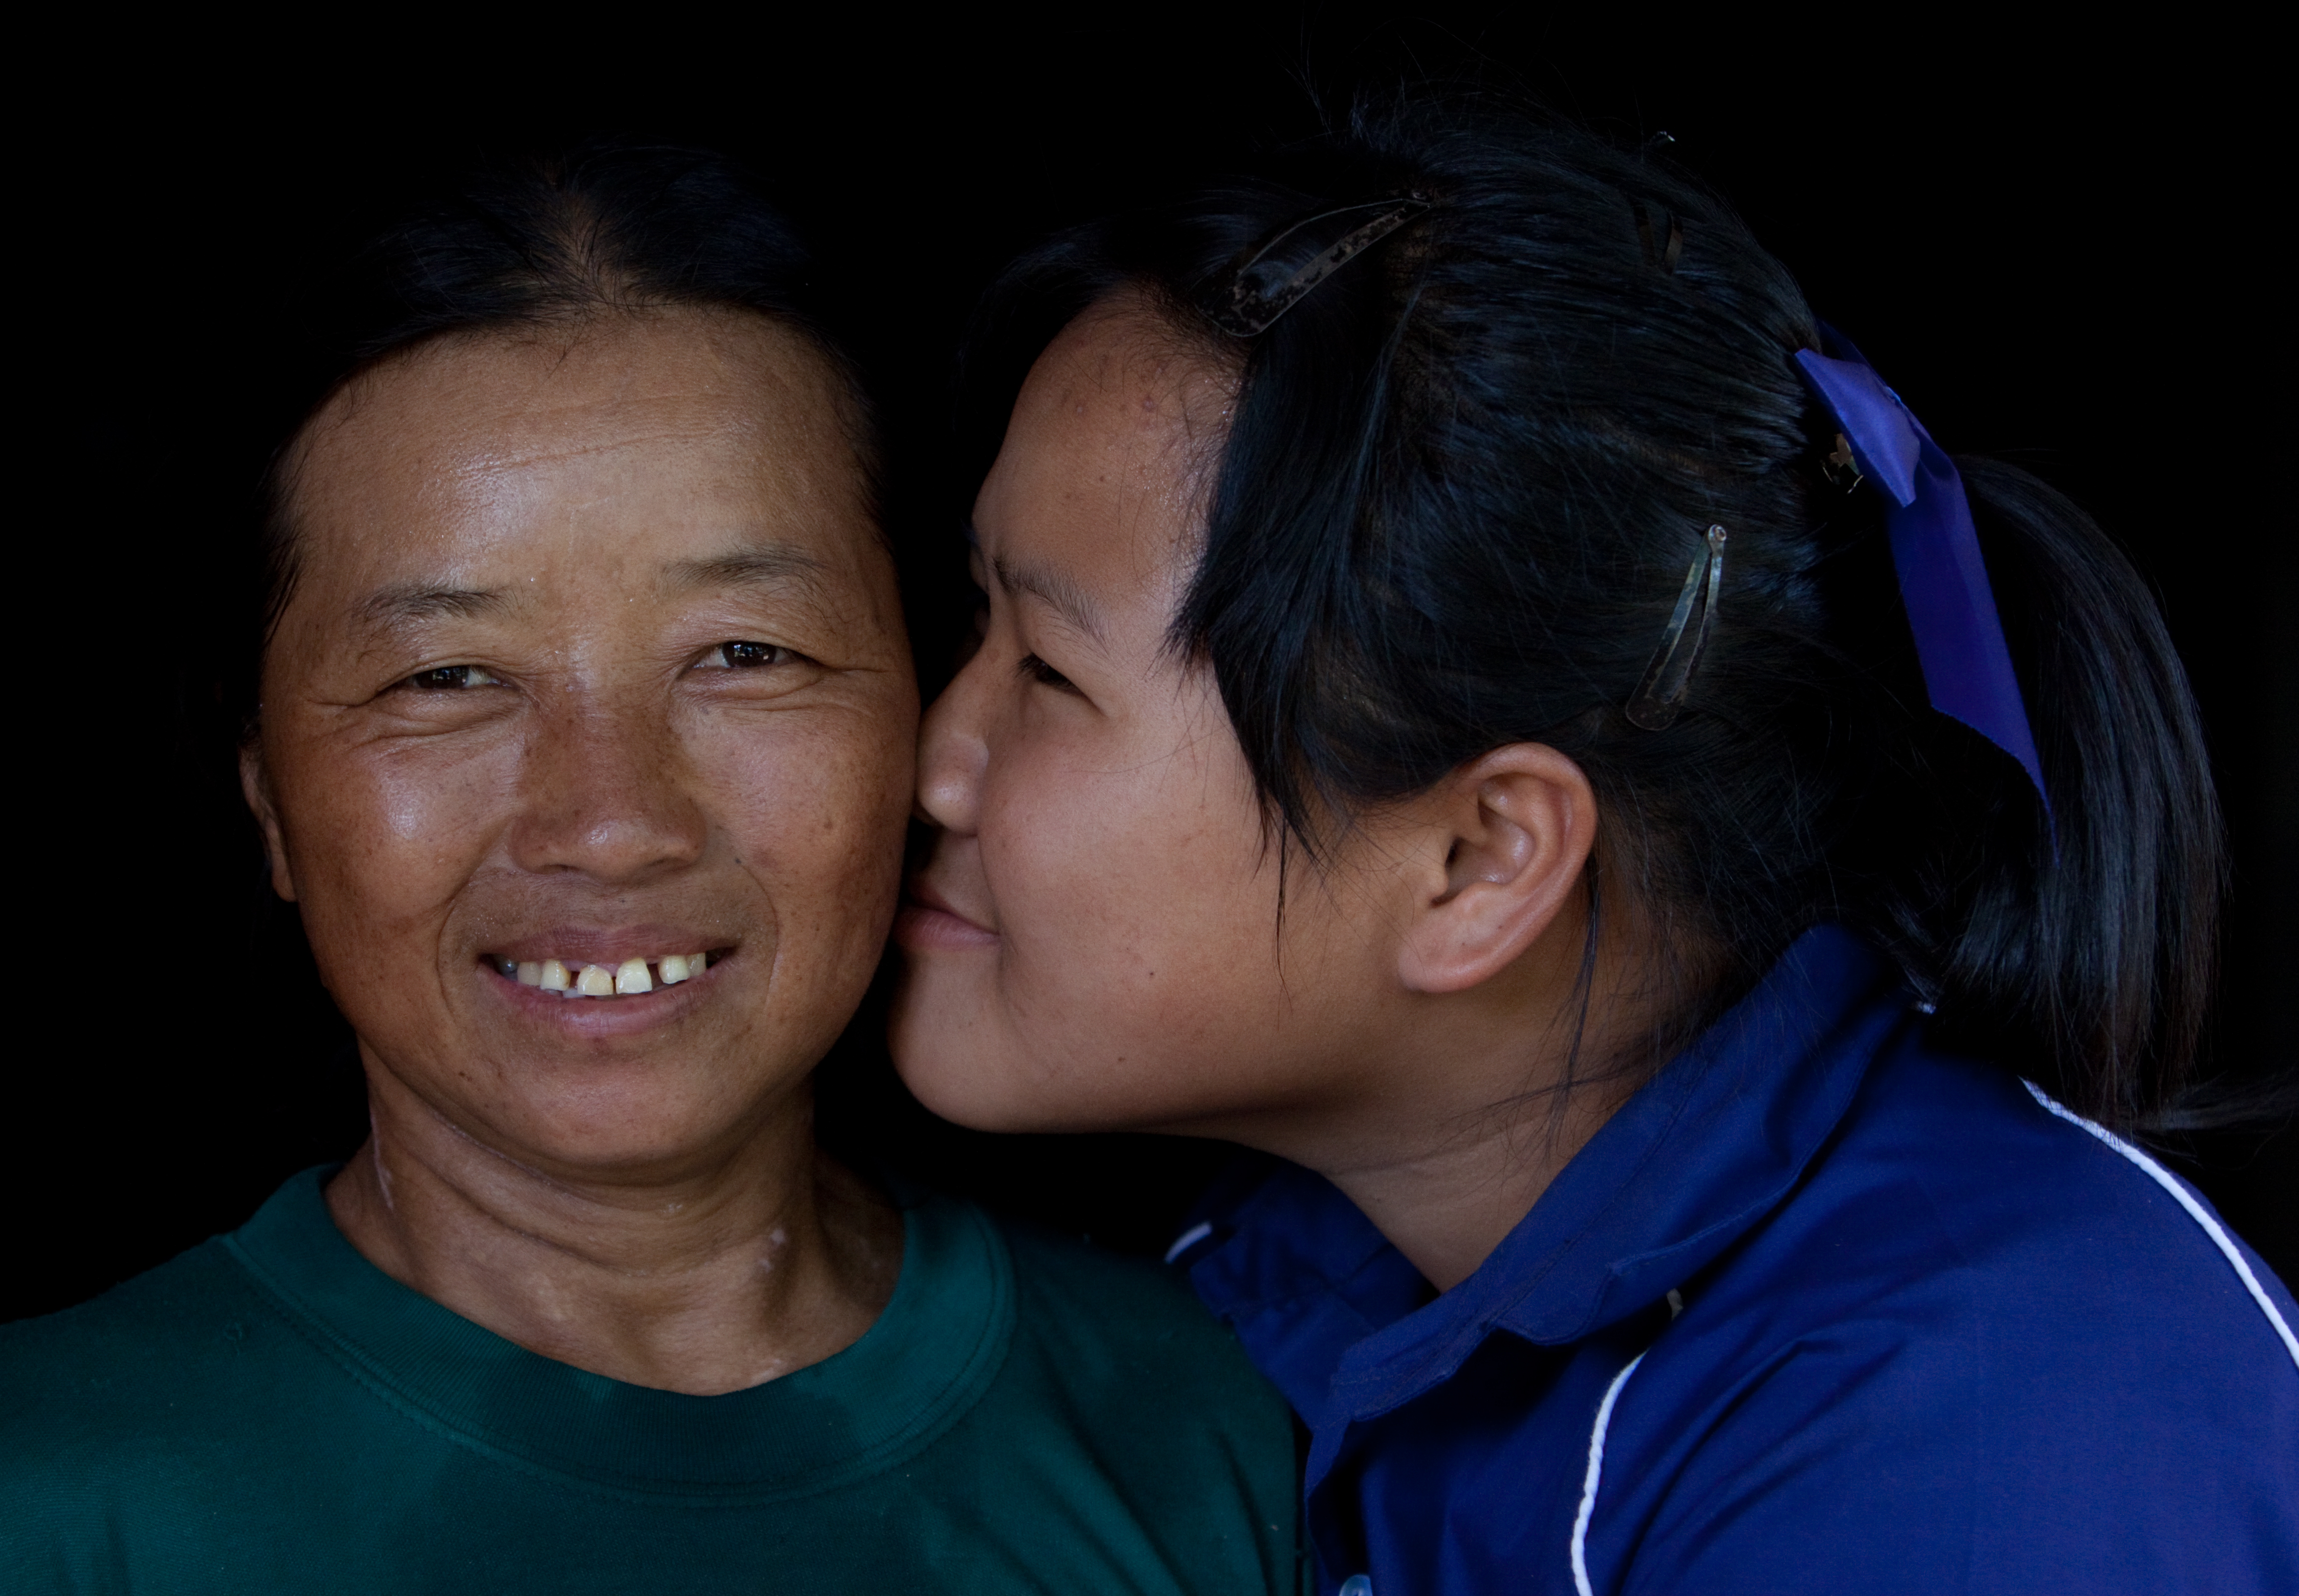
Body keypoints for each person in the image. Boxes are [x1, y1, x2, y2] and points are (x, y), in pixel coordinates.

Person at [889, 101, 2299, 1594]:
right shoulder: (1279, 1252)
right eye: (975, 621)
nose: (932, 768)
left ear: (1482, 860)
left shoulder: (1994, 1458)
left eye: (1046, 672)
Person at [0, 144, 1301, 1595]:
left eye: (747, 655)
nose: (611, 819)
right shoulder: (8, 1512)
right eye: (445, 677)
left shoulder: (1199, 1428)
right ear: (269, 803)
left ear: (928, 716)